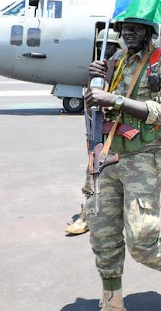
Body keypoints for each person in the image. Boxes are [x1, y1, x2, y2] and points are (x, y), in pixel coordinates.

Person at [84, 18, 161, 311]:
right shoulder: (117, 60)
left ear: (150, 32)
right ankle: (112, 302)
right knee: (103, 235)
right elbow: (97, 109)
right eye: (124, 28)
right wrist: (96, 83)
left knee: (141, 242)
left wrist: (114, 98)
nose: (127, 33)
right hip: (109, 155)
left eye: (135, 27)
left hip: (144, 157)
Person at [65, 28, 123, 236]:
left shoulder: (120, 73)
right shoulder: (97, 73)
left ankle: (95, 215)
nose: (105, 52)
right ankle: (88, 214)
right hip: (96, 135)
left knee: (108, 179)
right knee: (92, 175)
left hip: (117, 136)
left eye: (111, 48)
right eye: (101, 47)